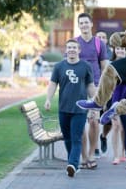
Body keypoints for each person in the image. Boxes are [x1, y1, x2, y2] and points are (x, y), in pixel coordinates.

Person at [44, 39, 95, 177]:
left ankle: (72, 164)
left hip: (80, 109)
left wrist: (94, 105)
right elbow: (53, 84)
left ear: (79, 50)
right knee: (67, 138)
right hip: (63, 109)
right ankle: (72, 164)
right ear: (66, 50)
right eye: (69, 47)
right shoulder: (59, 66)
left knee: (76, 138)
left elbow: (90, 86)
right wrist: (48, 99)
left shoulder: (85, 66)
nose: (71, 49)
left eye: (74, 47)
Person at [76, 12, 109, 168]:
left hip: (94, 88)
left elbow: (105, 67)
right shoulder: (74, 43)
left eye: (86, 22)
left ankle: (91, 154)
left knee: (94, 122)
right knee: (80, 124)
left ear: (91, 24)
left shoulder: (99, 44)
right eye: (81, 23)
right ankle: (83, 157)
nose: (83, 25)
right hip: (78, 89)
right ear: (79, 26)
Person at [95, 30, 113, 155]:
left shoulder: (112, 53)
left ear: (106, 40)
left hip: (110, 90)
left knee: (108, 121)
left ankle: (103, 136)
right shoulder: (92, 52)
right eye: (99, 37)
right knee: (94, 119)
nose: (101, 39)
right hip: (95, 89)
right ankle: (95, 148)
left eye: (103, 37)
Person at [109, 46, 126, 164]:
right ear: (114, 50)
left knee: (124, 128)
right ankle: (116, 155)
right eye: (118, 48)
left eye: (123, 49)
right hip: (114, 99)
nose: (120, 51)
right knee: (116, 126)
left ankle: (123, 153)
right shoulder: (111, 65)